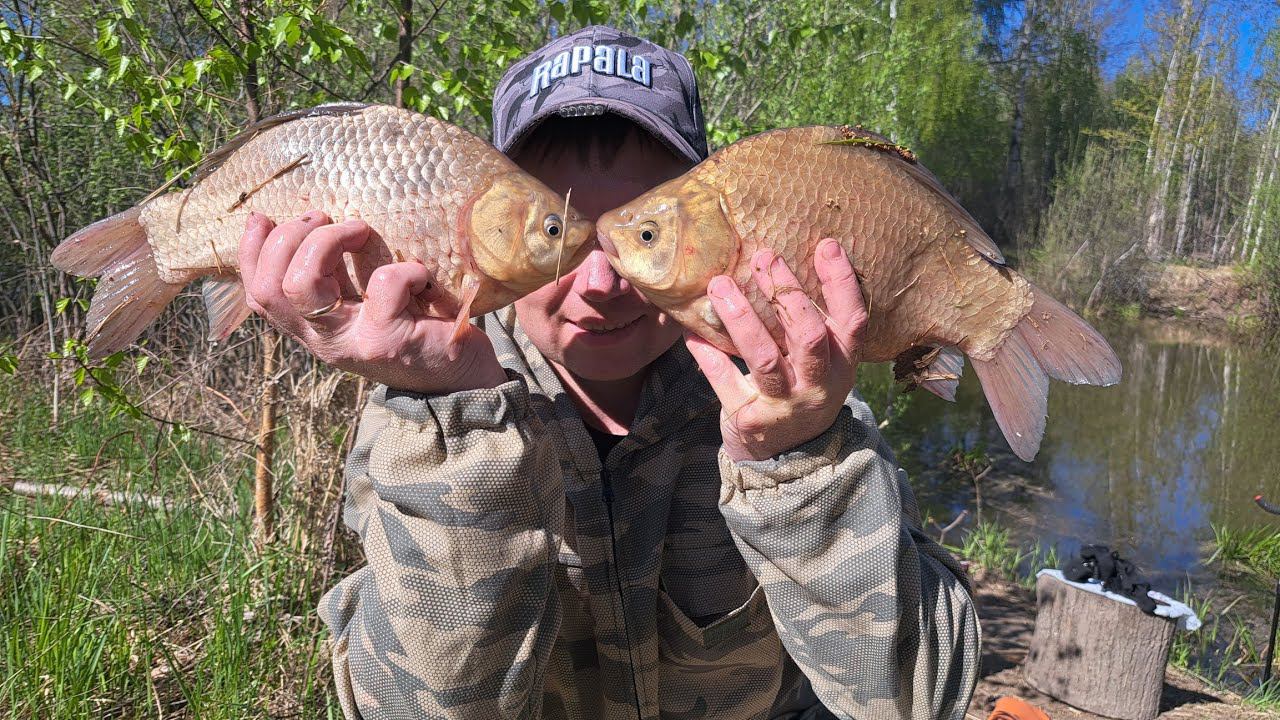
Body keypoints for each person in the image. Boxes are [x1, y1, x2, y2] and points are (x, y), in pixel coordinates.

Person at [238, 25, 980, 720]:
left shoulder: (792, 397)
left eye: (642, 230)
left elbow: (920, 699)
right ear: (471, 232)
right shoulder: (424, 414)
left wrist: (797, 464)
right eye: (555, 232)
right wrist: (457, 422)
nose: (601, 281)